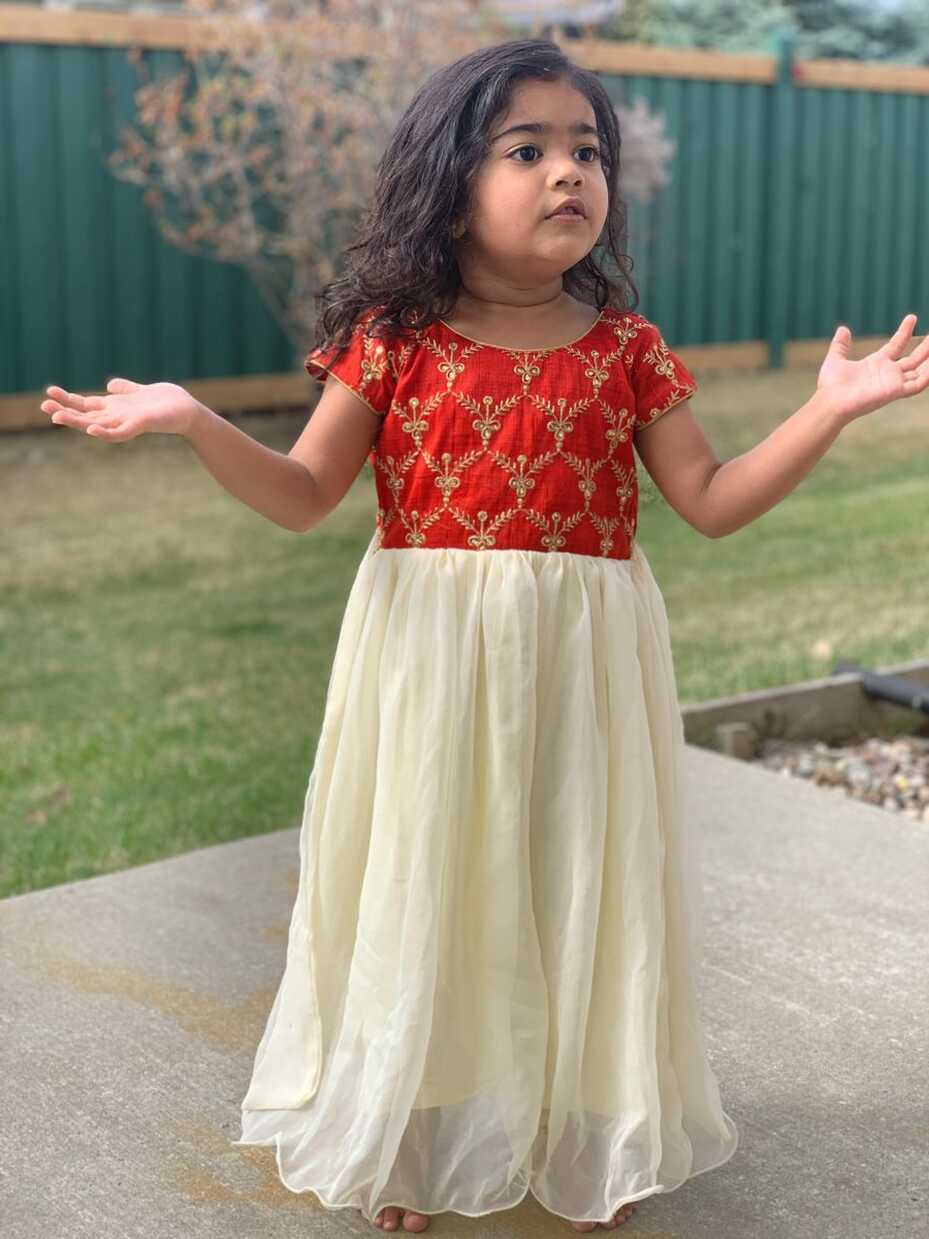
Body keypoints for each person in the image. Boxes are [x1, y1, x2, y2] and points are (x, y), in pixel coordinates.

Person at [40, 37, 929, 1237]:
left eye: (585, 150)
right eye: (528, 150)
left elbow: (711, 506)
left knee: (573, 878)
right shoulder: (392, 339)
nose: (568, 171)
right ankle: (408, 1126)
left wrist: (822, 411)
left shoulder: (626, 351)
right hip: (428, 669)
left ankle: (582, 1133)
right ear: (449, 184)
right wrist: (194, 420)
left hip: (584, 670)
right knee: (431, 880)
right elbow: (304, 495)